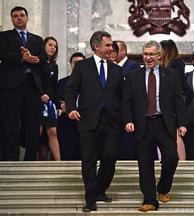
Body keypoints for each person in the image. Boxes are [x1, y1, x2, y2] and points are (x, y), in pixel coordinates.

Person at [122, 40, 188, 212]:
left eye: (151, 54)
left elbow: (178, 102)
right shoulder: (133, 76)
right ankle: (150, 200)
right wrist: (128, 120)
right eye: (145, 54)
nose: (148, 57)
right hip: (142, 125)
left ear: (159, 55)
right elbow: (127, 102)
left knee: (171, 158)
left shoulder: (172, 75)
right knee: (145, 164)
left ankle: (163, 188)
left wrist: (182, 123)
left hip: (164, 124)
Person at [65, 31, 123, 212]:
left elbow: (122, 96)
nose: (111, 48)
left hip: (111, 121)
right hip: (88, 119)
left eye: (111, 45)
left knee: (110, 157)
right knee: (89, 160)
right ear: (96, 46)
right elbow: (71, 90)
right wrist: (71, 108)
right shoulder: (82, 67)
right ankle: (90, 199)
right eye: (108, 45)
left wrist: (122, 115)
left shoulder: (117, 69)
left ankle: (99, 190)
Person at [0, 6, 47, 161]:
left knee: (33, 125)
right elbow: (2, 54)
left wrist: (34, 58)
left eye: (21, 15)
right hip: (10, 87)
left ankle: (30, 159)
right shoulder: (3, 37)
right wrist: (22, 59)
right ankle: (11, 159)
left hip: (32, 86)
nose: (18, 18)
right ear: (11, 19)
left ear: (27, 18)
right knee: (10, 124)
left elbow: (43, 58)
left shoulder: (37, 39)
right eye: (15, 16)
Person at [160, 39, 186, 160]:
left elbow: (178, 85)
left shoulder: (177, 62)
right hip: (166, 105)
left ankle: (182, 162)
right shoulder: (163, 65)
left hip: (172, 105)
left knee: (176, 135)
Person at [115, 40, 141, 160]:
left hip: (129, 111)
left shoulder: (133, 65)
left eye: (116, 49)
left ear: (124, 51)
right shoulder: (111, 66)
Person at [57, 52, 85, 160]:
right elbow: (59, 100)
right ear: (71, 65)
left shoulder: (91, 82)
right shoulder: (62, 82)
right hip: (67, 123)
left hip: (85, 120)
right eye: (75, 63)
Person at [38, 36, 62, 161]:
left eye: (55, 46)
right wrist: (40, 94)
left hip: (51, 103)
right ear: (44, 46)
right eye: (50, 45)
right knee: (38, 133)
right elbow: (35, 81)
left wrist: (57, 105)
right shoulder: (37, 62)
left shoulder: (54, 65)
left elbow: (55, 86)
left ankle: (59, 164)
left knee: (53, 132)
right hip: (39, 101)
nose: (53, 48)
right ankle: (32, 161)